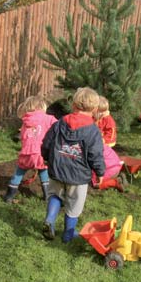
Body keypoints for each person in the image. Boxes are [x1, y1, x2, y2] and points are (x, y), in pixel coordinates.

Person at [41, 87, 106, 242]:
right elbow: (95, 155)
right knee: (74, 204)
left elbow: (47, 142)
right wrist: (100, 172)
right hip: (78, 176)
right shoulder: (92, 131)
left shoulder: (60, 123)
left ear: (74, 105)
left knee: (55, 195)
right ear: (95, 109)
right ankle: (68, 235)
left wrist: (45, 157)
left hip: (57, 169)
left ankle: (50, 220)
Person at [4, 96, 58, 202]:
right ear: (42, 106)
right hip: (40, 153)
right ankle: (47, 195)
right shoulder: (48, 118)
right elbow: (59, 126)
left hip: (26, 153)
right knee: (43, 171)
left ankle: (9, 196)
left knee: (19, 172)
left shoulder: (26, 120)